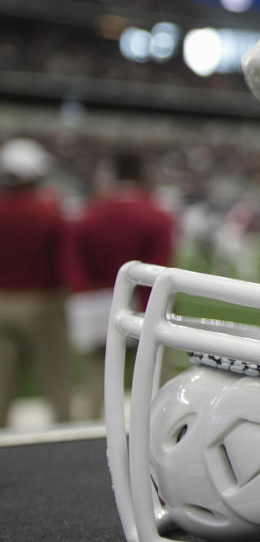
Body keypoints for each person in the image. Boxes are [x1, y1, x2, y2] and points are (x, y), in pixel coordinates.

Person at [64, 150, 174, 418]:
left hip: (99, 302)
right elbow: (159, 268)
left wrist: (86, 293)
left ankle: (89, 429)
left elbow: (72, 260)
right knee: (153, 374)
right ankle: (157, 426)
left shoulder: (89, 212)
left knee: (99, 376)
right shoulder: (156, 214)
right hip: (146, 305)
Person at [0, 137, 72, 428]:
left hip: (2, 301)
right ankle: (65, 438)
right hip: (42, 302)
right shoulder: (49, 212)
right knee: (55, 378)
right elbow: (64, 263)